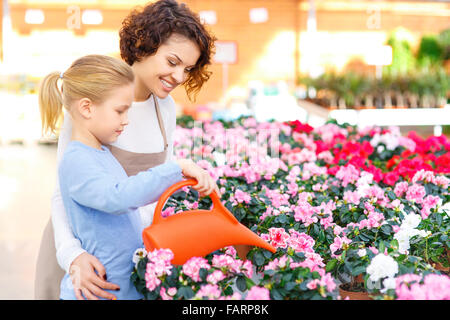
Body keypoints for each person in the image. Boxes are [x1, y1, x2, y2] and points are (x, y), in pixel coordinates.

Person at [34, 0, 217, 300]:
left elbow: (157, 182)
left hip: (130, 255)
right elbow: (62, 192)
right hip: (84, 258)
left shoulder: (165, 108)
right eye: (172, 62)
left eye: (187, 69)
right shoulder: (95, 101)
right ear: (144, 45)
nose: (179, 77)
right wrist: (72, 256)